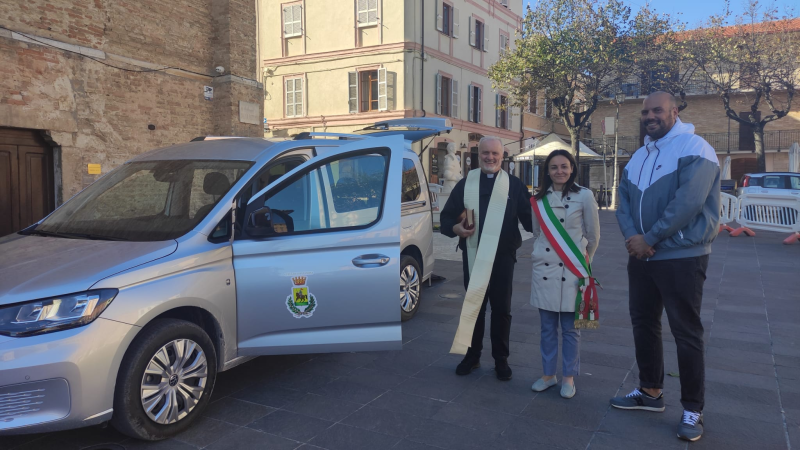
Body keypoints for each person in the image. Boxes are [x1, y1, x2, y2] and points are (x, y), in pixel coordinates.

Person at [610, 92, 720, 442]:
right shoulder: (639, 156)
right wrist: (633, 238)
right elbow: (623, 201)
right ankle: (650, 392)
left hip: (682, 256)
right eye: (645, 112)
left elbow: (688, 203)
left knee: (686, 331)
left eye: (657, 110)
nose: (649, 116)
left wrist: (650, 238)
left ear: (674, 111)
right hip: (642, 255)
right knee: (644, 323)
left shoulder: (695, 147)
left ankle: (693, 409)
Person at [440, 136, 533, 380]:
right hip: (473, 254)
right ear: (477, 155)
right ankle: (472, 356)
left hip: (503, 257)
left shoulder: (514, 185)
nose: (490, 158)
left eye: (495, 154)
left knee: (502, 309)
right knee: (475, 306)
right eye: (485, 154)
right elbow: (446, 218)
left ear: (503, 156)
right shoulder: (465, 184)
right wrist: (456, 229)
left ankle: (501, 359)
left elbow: (532, 221)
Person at [528, 149, 599, 399]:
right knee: (547, 328)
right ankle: (548, 375)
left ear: (572, 169)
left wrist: (582, 260)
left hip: (573, 269)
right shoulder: (537, 200)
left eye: (564, 166)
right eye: (554, 167)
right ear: (547, 171)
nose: (560, 171)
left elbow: (593, 236)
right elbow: (538, 233)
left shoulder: (585, 196)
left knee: (571, 329)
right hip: (544, 269)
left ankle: (568, 377)